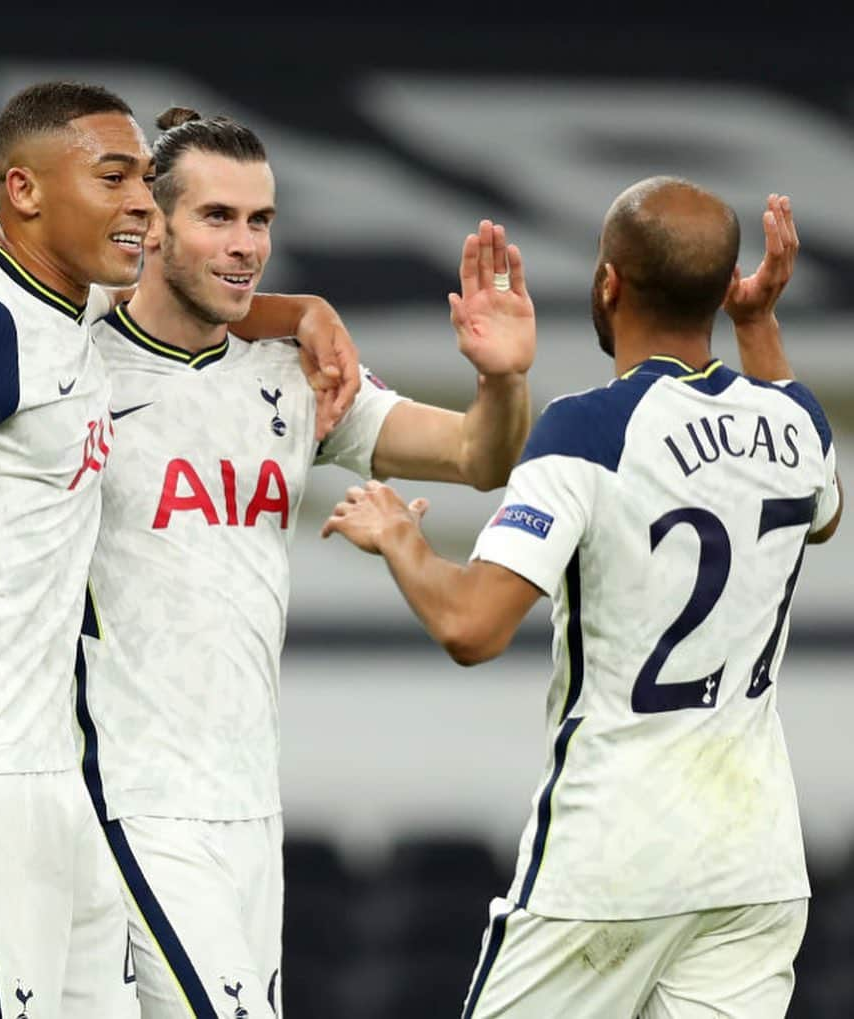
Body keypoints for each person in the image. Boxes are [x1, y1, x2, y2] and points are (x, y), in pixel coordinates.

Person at [0, 81, 357, 1019]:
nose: (140, 206)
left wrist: (301, 309)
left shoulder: (69, 313)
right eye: (114, 179)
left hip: (52, 779)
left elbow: (178, 300)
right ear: (26, 192)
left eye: (145, 187)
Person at [322, 182, 843, 1019]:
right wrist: (755, 323)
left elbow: (470, 624)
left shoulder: (590, 428)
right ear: (725, 288)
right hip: (755, 867)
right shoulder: (797, 422)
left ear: (606, 284)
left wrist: (399, 537)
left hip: (611, 857)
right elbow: (824, 512)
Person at [74, 107, 534, 1018]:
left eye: (260, 221)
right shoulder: (74, 362)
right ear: (154, 226)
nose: (246, 246)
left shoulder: (294, 375)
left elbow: (479, 458)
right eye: (218, 218)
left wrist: (503, 380)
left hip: (248, 800)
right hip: (128, 793)